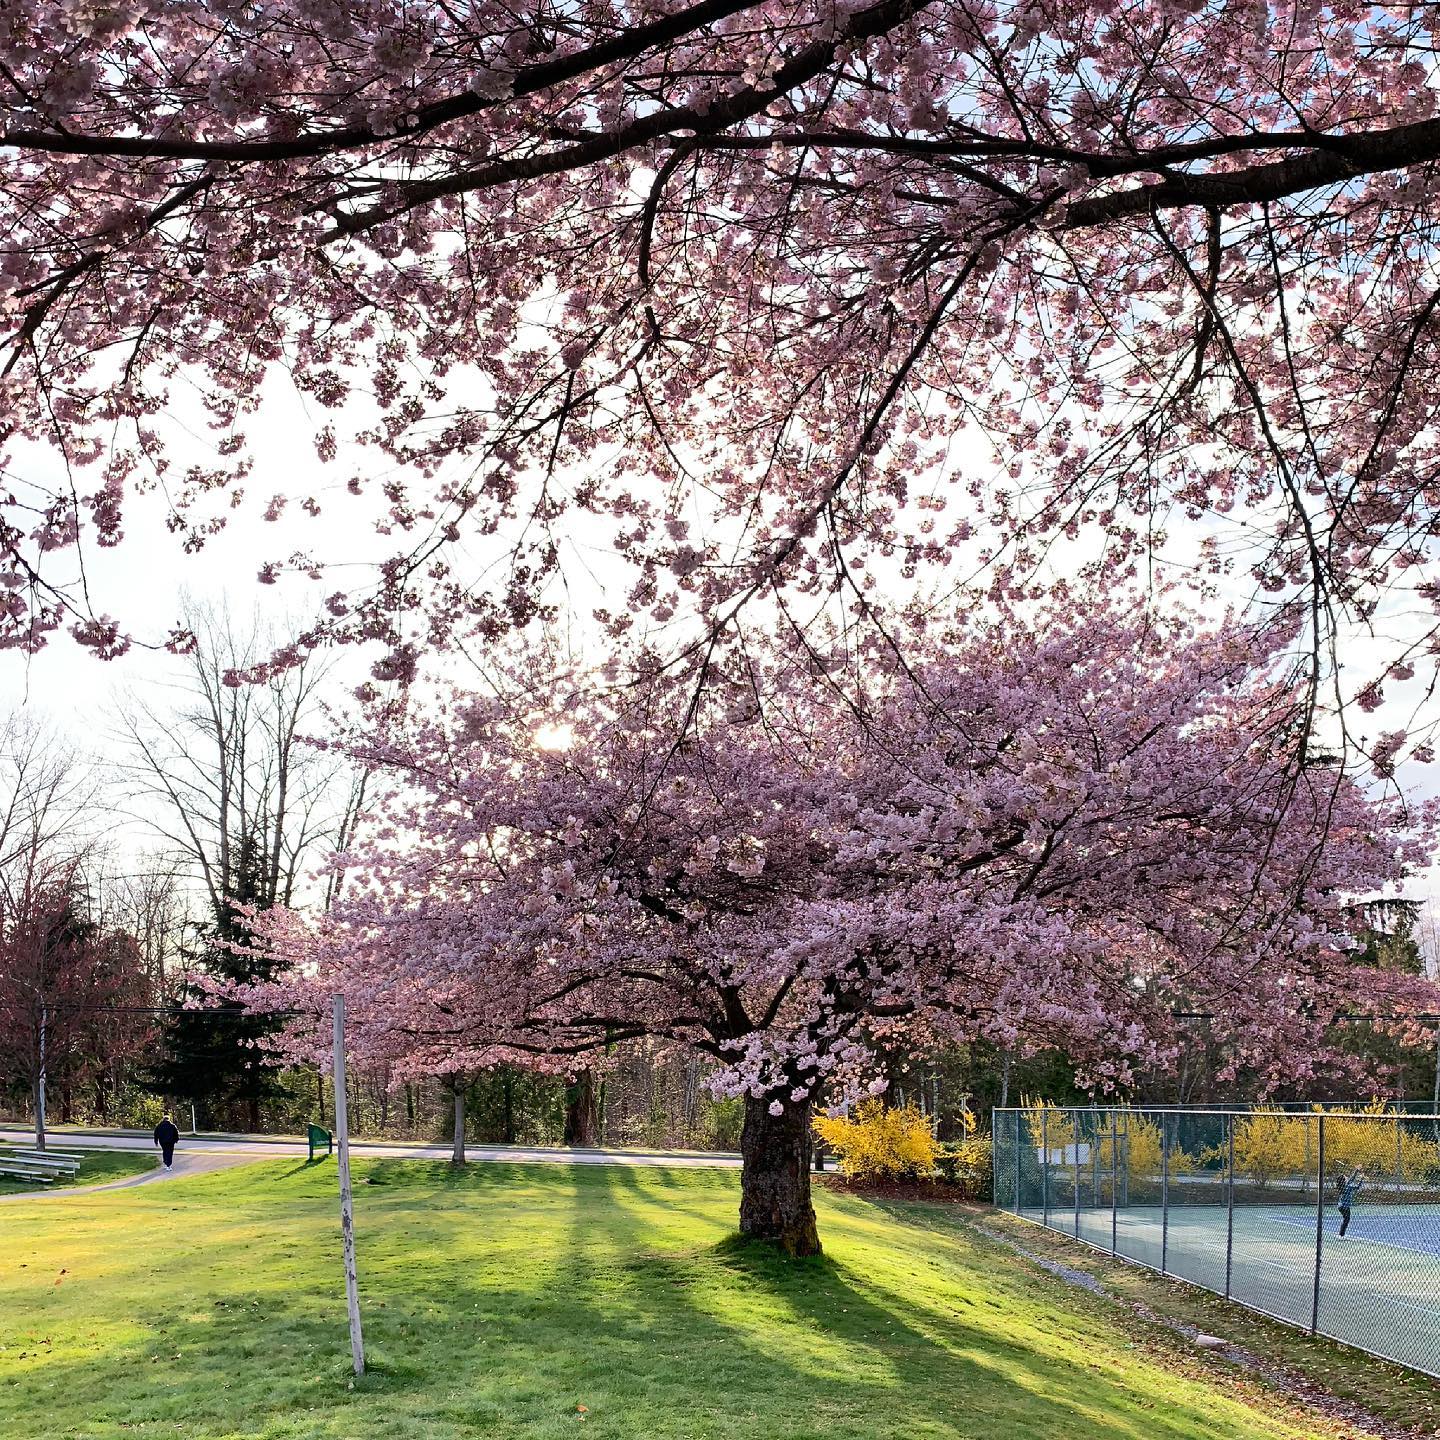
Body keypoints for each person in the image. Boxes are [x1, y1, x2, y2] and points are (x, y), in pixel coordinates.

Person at [1336, 1166, 1365, 1236]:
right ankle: (1341, 1235)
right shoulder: (1347, 1186)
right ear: (1343, 1180)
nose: (1346, 1177)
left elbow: (1352, 1178)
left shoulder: (1343, 1186)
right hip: (1345, 1206)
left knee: (1346, 1219)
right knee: (1346, 1220)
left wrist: (1357, 1171)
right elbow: (1357, 1185)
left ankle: (1341, 1234)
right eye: (1345, 1177)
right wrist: (1361, 1178)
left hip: (1340, 1206)